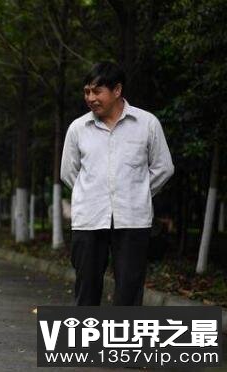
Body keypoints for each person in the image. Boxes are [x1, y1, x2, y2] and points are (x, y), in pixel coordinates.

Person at [60, 61, 174, 306]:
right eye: (87, 91)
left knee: (129, 291)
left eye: (97, 91)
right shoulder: (78, 129)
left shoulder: (147, 124)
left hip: (132, 219)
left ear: (117, 90)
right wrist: (91, 194)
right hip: (89, 219)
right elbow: (69, 172)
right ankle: (85, 342)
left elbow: (163, 167)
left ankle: (122, 343)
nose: (90, 98)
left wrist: (138, 191)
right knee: (86, 288)